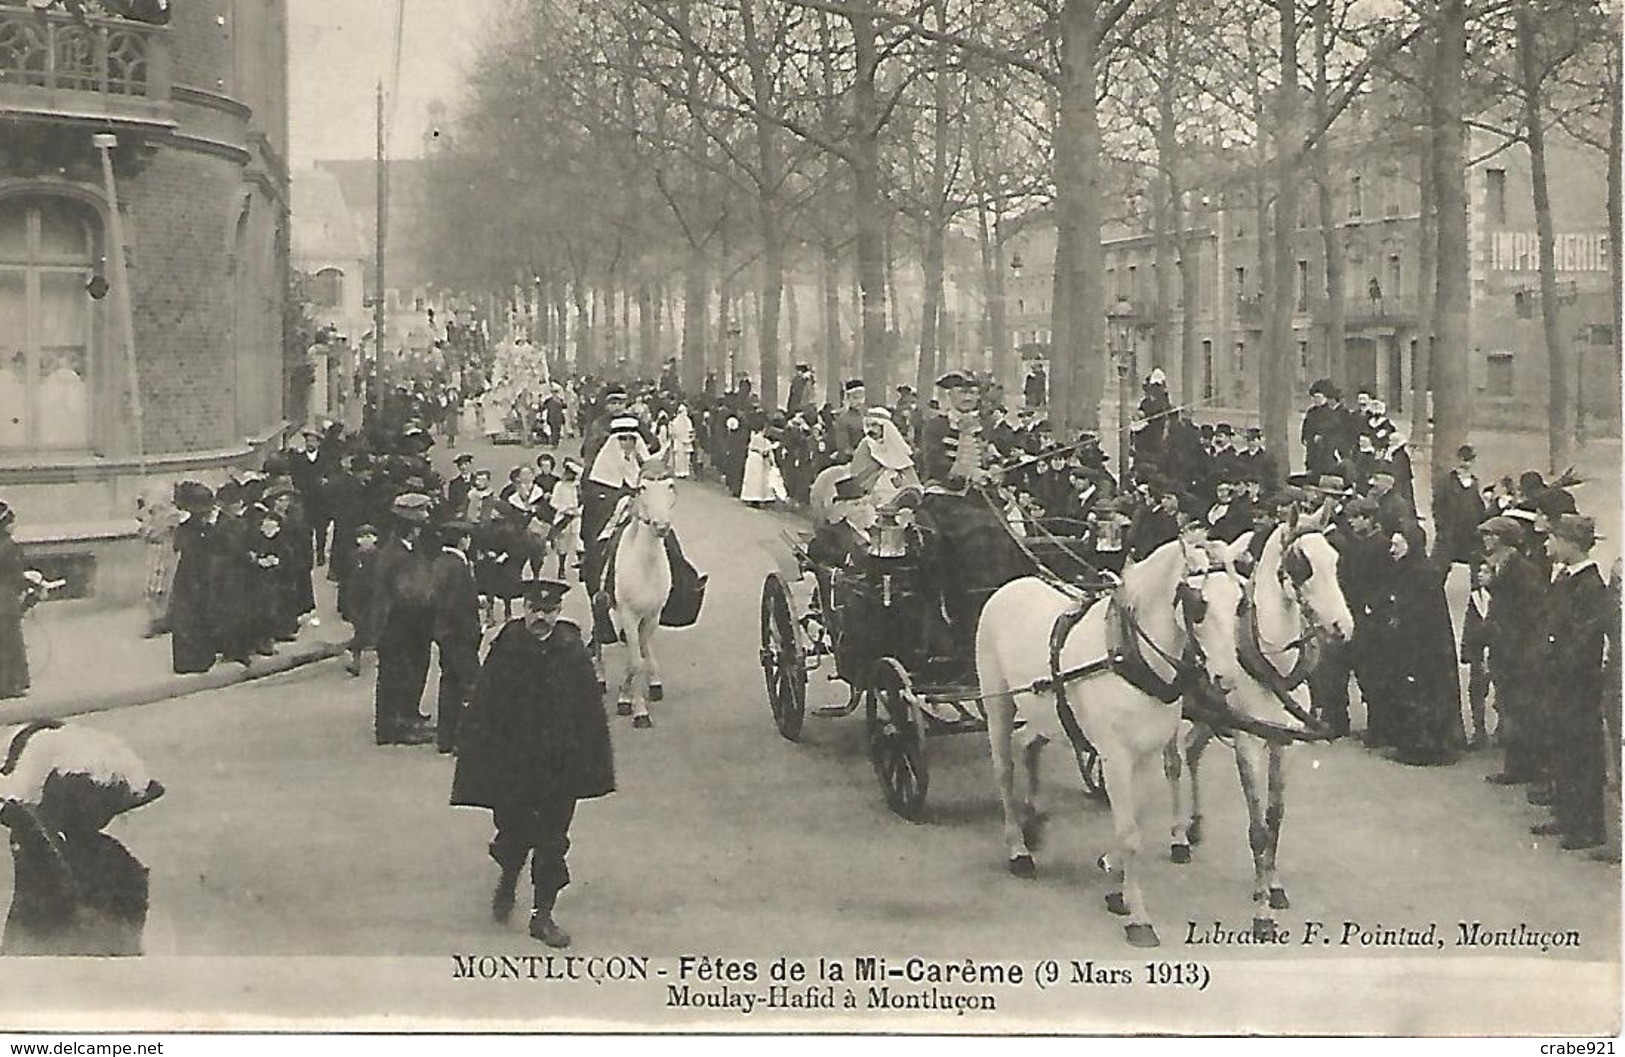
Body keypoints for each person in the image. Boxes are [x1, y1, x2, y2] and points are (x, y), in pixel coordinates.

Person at [450, 579, 615, 948]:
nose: (541, 617)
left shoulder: (572, 651)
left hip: (558, 768)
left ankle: (543, 915)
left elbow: (590, 713)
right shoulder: (506, 648)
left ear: (559, 612)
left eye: (549, 611)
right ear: (524, 608)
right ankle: (509, 875)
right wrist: (477, 751)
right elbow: (483, 705)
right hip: (514, 767)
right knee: (513, 832)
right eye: (534, 609)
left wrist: (587, 762)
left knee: (553, 841)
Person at [1532, 515, 1610, 850]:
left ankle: (1588, 825)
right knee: (1562, 744)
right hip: (1561, 679)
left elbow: (1584, 640)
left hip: (1578, 682)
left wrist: (1557, 664)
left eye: (1554, 539)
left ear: (1570, 542)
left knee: (1581, 750)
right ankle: (1567, 814)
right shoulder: (1566, 578)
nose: (1549, 545)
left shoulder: (1591, 586)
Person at [1379, 530, 1464, 766]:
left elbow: (1423, 615)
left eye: (1397, 544)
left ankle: (1427, 748)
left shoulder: (1422, 574)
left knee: (1424, 692)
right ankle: (1414, 744)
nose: (1392, 549)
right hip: (1413, 645)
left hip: (1424, 649)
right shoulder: (1407, 570)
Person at [368, 494, 440, 746]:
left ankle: (408, 715)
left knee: (414, 668)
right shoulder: (396, 555)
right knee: (396, 674)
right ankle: (391, 727)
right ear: (410, 528)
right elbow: (407, 595)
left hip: (410, 623)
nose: (422, 530)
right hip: (397, 624)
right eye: (419, 525)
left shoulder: (409, 549)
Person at [432, 520, 482, 755]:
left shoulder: (441, 563)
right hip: (460, 634)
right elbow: (457, 604)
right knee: (470, 686)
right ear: (463, 540)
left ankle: (445, 737)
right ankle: (464, 739)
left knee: (449, 682)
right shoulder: (457, 566)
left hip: (445, 633)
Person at [135, 484, 182, 639]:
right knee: (153, 587)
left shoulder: (171, 516)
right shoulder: (152, 516)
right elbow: (145, 532)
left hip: (165, 551)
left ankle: (161, 621)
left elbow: (151, 532)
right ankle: (158, 620)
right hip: (156, 551)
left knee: (161, 587)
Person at [339, 524, 381, 677]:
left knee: (373, 630)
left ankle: (354, 653)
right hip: (357, 598)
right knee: (361, 628)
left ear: (375, 539)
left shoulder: (380, 557)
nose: (365, 540)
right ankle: (355, 660)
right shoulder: (353, 557)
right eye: (362, 537)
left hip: (375, 598)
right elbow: (346, 579)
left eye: (368, 537)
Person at [0, 501, 28, 698]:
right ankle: (9, 685)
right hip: (5, 599)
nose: (14, 525)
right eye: (11, 521)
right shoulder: (8, 546)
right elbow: (17, 575)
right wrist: (31, 588)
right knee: (10, 643)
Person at [830, 380, 867, 460]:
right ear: (848, 398)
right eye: (855, 398)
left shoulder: (869, 414)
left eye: (862, 397)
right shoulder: (843, 420)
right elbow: (844, 448)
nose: (859, 401)